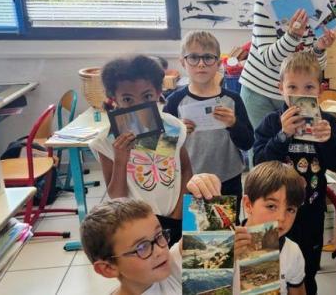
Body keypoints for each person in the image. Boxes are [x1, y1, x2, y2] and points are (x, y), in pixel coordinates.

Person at [253, 51, 336, 294]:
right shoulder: (272, 122)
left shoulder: (327, 123)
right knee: (269, 268)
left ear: (319, 90)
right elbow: (259, 163)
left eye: (308, 87)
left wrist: (327, 141)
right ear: (281, 89)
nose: (300, 94)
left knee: (307, 271)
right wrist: (282, 135)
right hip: (275, 212)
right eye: (292, 87)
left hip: (311, 211)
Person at [92, 55, 193, 246]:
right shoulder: (107, 141)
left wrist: (178, 213)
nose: (139, 105)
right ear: (114, 99)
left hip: (176, 216)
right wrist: (121, 158)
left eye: (147, 96)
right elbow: (117, 197)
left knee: (178, 268)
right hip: (137, 224)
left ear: (157, 92)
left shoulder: (171, 127)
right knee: (150, 271)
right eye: (128, 99)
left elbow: (185, 170)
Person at [239, 0, 336, 129]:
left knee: (296, 152)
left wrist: (320, 48)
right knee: (262, 155)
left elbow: (314, 68)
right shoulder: (266, 1)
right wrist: (292, 35)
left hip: (297, 95)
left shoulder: (322, 5)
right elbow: (269, 59)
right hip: (260, 93)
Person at [163, 31, 254, 219]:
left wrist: (233, 123)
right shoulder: (175, 102)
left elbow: (247, 142)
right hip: (191, 181)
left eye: (208, 58)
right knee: (198, 238)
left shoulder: (232, 99)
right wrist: (180, 133)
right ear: (183, 63)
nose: (201, 63)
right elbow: (163, 150)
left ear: (219, 64)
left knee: (226, 235)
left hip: (228, 179)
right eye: (194, 57)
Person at [186, 162, 307, 295]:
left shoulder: (292, 252)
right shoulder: (220, 243)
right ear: (248, 205)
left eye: (290, 209)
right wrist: (225, 263)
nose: (281, 217)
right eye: (271, 206)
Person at [80, 198, 181, 295]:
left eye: (159, 235)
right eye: (142, 247)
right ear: (108, 268)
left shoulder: (173, 268)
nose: (160, 251)